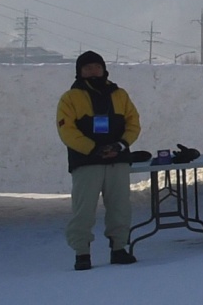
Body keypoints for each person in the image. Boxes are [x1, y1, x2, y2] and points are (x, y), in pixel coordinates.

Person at [58, 50, 141, 270]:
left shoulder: (120, 95)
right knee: (83, 209)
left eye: (97, 67)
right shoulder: (70, 98)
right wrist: (93, 149)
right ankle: (82, 253)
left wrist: (120, 145)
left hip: (118, 160)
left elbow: (133, 123)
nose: (93, 71)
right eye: (87, 68)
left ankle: (119, 249)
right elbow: (67, 131)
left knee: (120, 207)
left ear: (104, 69)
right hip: (87, 163)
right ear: (79, 72)